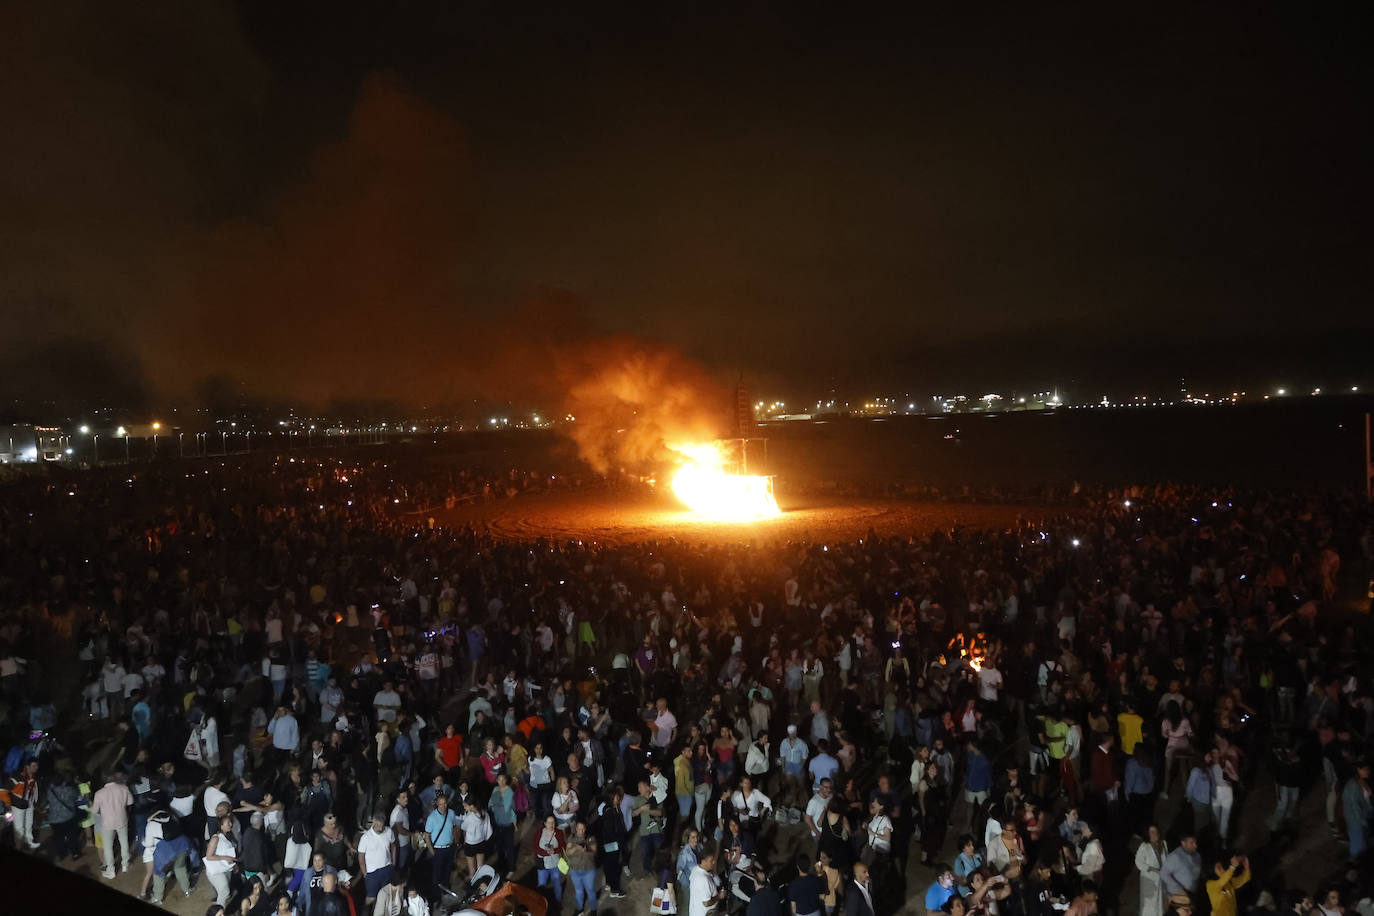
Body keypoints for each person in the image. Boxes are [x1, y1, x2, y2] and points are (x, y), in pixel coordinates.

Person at [93, 771, 135, 879]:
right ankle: (125, 865)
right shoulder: (124, 788)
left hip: (107, 823)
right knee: (124, 842)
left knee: (107, 847)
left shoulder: (99, 793)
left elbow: (94, 810)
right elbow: (130, 802)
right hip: (122, 820)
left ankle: (111, 870)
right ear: (114, 778)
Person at [358, 811, 397, 907]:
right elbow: (361, 856)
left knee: (385, 894)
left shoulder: (389, 831)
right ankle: (366, 911)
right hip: (372, 873)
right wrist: (364, 873)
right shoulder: (365, 838)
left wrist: (393, 862)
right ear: (374, 823)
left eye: (382, 826)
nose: (381, 828)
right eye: (379, 826)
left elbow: (393, 846)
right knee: (371, 897)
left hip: (386, 868)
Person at [566, 819, 599, 916]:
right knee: (579, 891)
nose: (581, 831)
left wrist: (586, 848)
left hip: (588, 870)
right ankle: (580, 909)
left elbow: (594, 851)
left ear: (585, 829)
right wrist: (576, 847)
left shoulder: (590, 838)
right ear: (576, 828)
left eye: (583, 829)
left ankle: (593, 910)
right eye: (579, 829)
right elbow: (568, 853)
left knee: (590, 891)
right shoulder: (571, 839)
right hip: (575, 871)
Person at [205, 814, 239, 907]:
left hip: (226, 869)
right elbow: (209, 856)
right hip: (216, 871)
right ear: (221, 826)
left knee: (225, 893)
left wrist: (234, 865)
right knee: (224, 891)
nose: (230, 824)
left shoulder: (229, 835)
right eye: (228, 823)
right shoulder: (216, 838)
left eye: (230, 822)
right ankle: (218, 911)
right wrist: (225, 857)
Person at [1134, 825, 1169, 916]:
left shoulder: (1163, 844)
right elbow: (1138, 862)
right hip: (1149, 880)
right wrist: (1153, 869)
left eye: (1156, 831)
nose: (1154, 834)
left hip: (1161, 880)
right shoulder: (1144, 846)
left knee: (1159, 905)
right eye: (1151, 832)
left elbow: (1166, 860)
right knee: (1149, 906)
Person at [1161, 836, 1202, 905]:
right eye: (1191, 843)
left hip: (1193, 894)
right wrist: (1178, 889)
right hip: (1179, 896)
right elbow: (1163, 873)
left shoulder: (1197, 855)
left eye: (1195, 842)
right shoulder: (1175, 856)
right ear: (1183, 843)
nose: (1195, 845)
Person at [534, 815, 566, 905]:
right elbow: (536, 847)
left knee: (557, 885)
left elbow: (563, 846)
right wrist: (547, 853)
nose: (551, 825)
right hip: (542, 865)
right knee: (541, 884)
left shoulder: (559, 832)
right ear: (545, 823)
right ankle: (540, 903)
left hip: (555, 864)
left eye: (553, 822)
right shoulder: (540, 832)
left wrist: (554, 850)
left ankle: (558, 902)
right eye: (549, 823)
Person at [690, 847, 723, 916]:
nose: (714, 862)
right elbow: (706, 903)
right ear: (703, 861)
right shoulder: (703, 879)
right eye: (711, 861)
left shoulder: (695, 869)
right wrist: (719, 896)